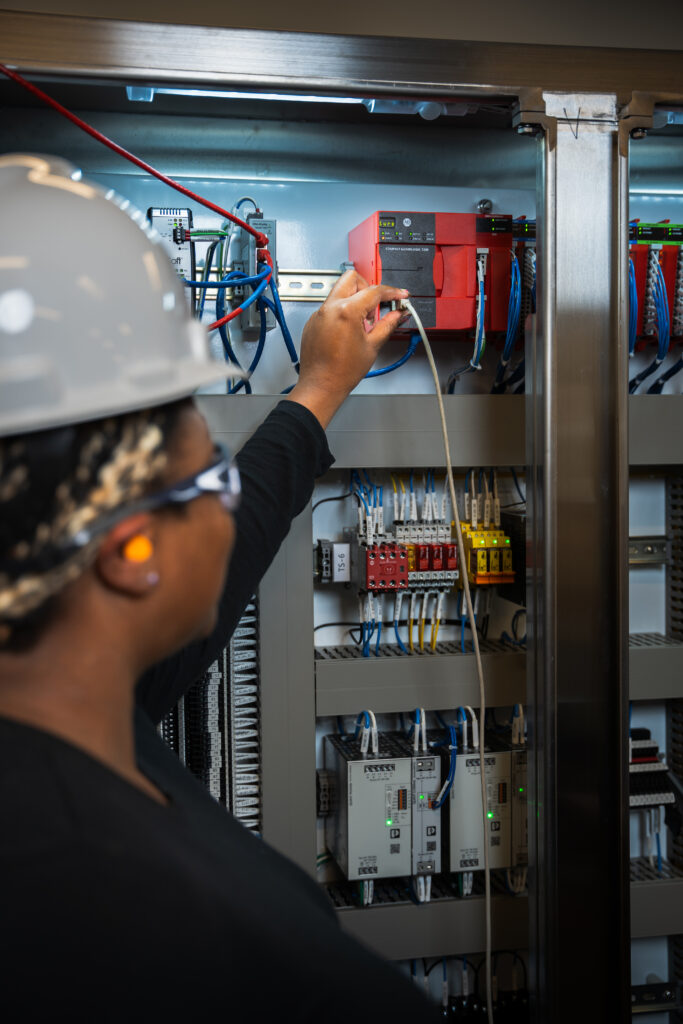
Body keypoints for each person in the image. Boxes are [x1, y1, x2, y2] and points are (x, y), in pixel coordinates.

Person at [0, 154, 439, 1021]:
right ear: (127, 552)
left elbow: (216, 557)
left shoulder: (69, 697)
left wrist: (319, 388)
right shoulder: (159, 928)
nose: (226, 496)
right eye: (209, 473)